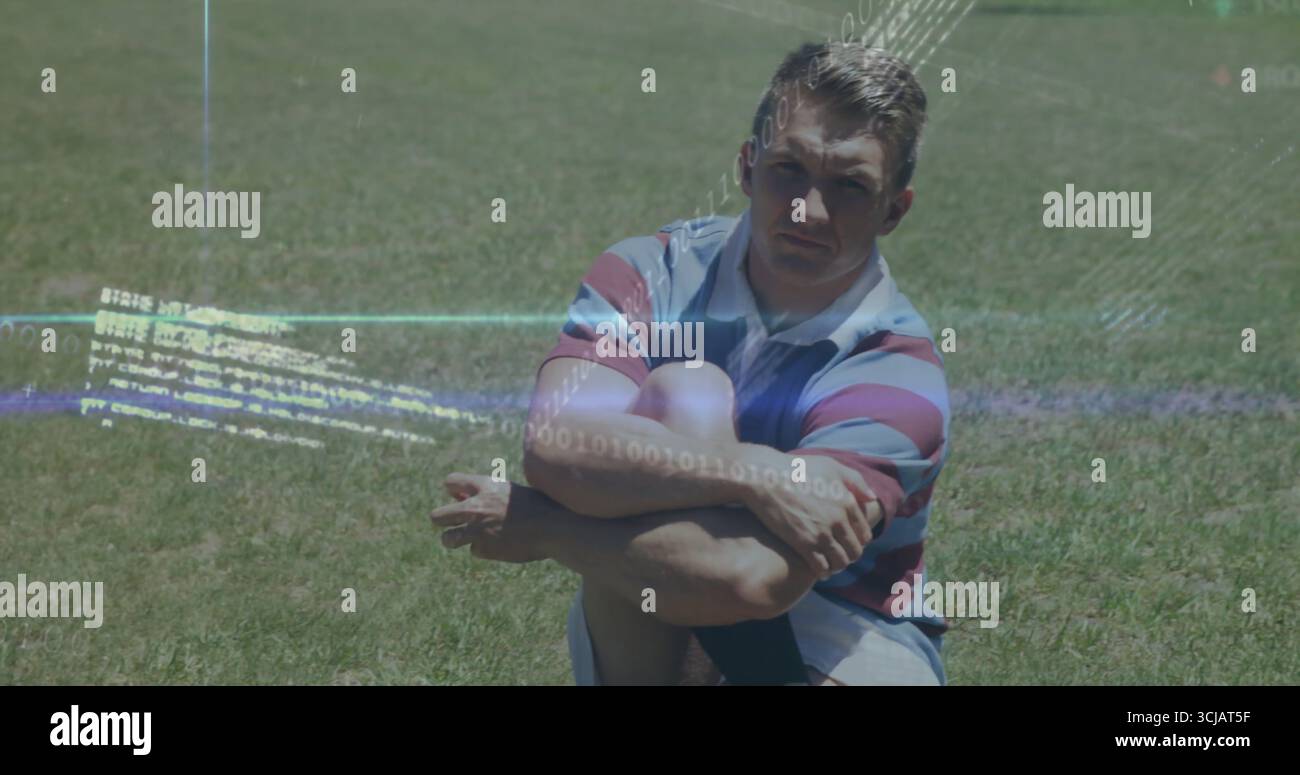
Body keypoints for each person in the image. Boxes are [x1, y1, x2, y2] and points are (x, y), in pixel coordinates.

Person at [430, 41, 950, 685]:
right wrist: (751, 471)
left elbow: (750, 581)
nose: (807, 211)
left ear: (893, 210)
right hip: (655, 583)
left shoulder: (896, 370)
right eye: (789, 169)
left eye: (849, 186)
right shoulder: (652, 271)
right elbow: (558, 444)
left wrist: (547, 528)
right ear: (747, 167)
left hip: (845, 619)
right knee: (687, 392)